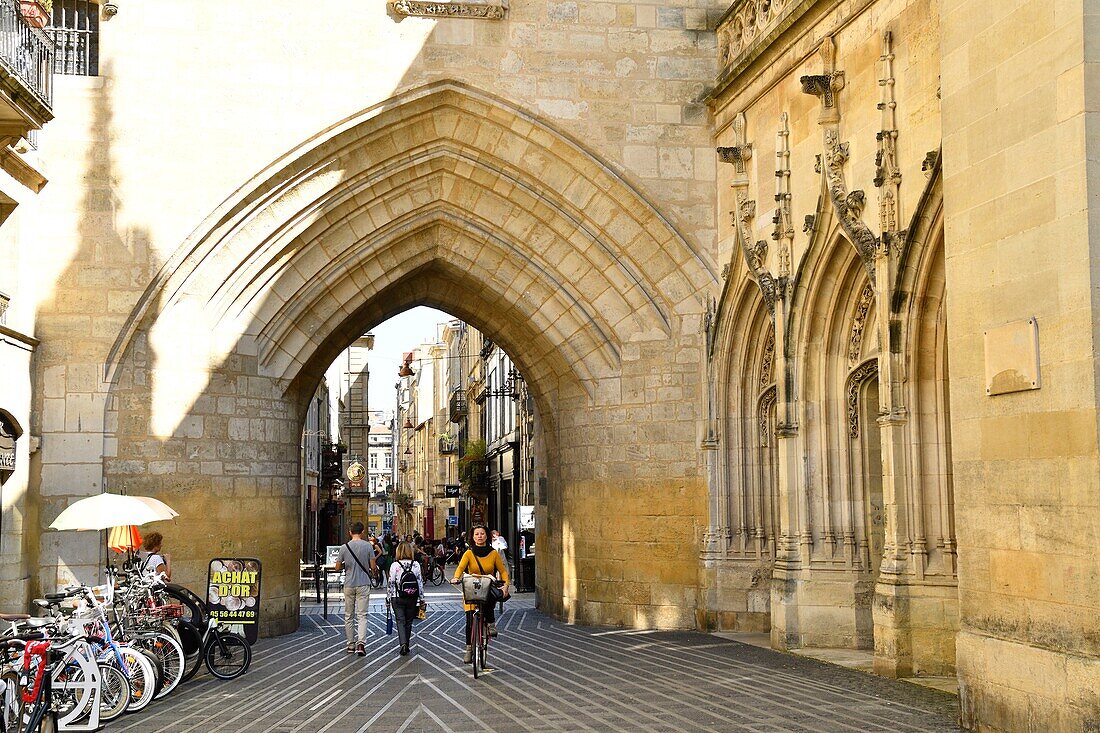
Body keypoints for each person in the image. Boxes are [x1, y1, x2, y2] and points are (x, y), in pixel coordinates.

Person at [451, 525, 509, 664]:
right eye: (476, 534)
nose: (479, 536)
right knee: (469, 621)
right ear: (473, 537)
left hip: (487, 585)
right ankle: (469, 650)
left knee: (489, 599)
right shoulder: (469, 553)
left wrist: (506, 584)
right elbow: (460, 568)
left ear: (487, 536)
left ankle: (490, 623)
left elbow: (503, 570)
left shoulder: (493, 553)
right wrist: (456, 578)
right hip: (472, 586)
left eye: (482, 533)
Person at [334, 522, 376, 656]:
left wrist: (347, 564)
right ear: (362, 532)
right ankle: (361, 644)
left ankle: (350, 644)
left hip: (349, 583)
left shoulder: (344, 547)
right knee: (362, 615)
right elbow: (373, 566)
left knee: (348, 615)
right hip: (363, 583)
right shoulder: (368, 546)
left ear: (350, 532)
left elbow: (337, 567)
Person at [387, 541, 424, 656]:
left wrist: (388, 598)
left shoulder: (395, 565)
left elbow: (391, 583)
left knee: (400, 620)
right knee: (409, 621)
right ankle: (406, 644)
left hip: (397, 597)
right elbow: (419, 582)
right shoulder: (416, 564)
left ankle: (403, 644)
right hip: (412, 597)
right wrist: (422, 598)